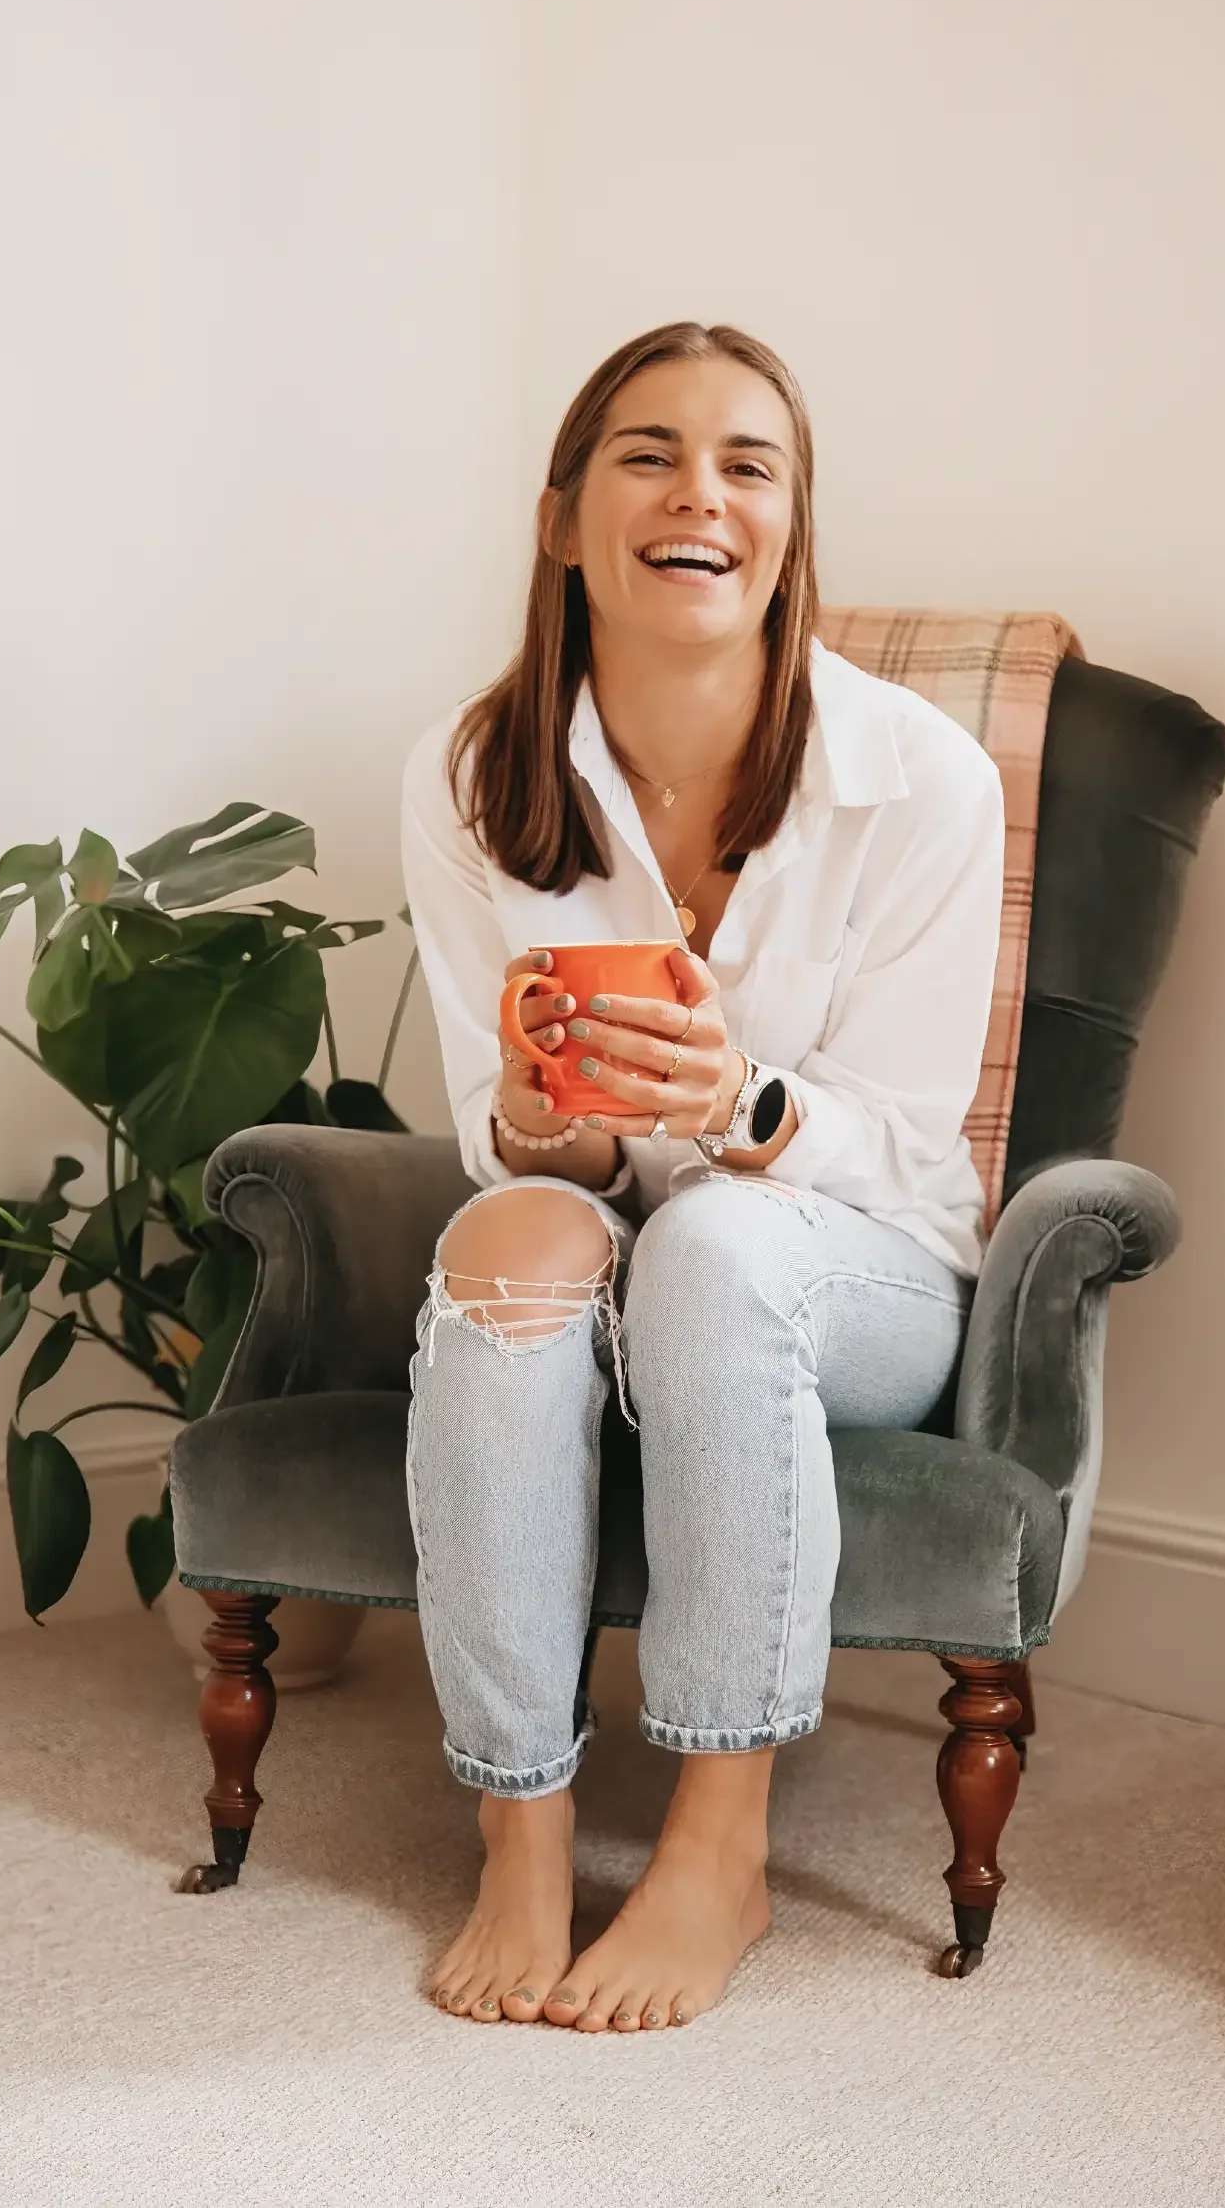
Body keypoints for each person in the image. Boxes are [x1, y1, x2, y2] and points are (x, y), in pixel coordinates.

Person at [398, 321, 1004, 2033]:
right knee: (508, 1237)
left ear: (792, 527)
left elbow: (906, 1139)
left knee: (723, 1245)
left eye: (752, 465)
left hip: (852, 1271)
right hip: (628, 1230)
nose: (702, 495)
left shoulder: (920, 784)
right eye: (650, 454)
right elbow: (490, 1116)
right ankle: (520, 1834)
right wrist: (546, 1124)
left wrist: (741, 1105)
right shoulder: (470, 774)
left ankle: (717, 1838)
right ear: (563, 516)